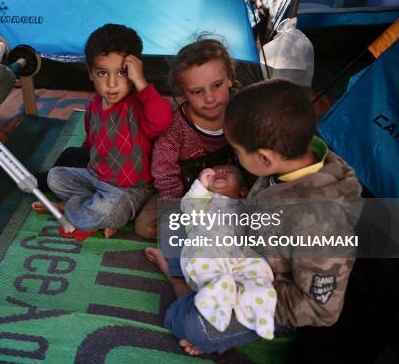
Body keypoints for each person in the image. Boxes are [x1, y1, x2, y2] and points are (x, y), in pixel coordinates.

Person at [150, 78, 363, 355]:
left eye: (237, 152)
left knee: (190, 325)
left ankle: (180, 284)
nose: (234, 158)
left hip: (265, 292)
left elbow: (320, 308)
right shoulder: (292, 155)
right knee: (177, 220)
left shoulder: (324, 223)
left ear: (264, 158)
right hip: (248, 249)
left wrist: (240, 295)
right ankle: (191, 286)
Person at [32, 23, 173, 240]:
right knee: (55, 176)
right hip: (95, 178)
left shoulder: (138, 106)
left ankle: (76, 209)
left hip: (130, 189)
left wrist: (141, 82)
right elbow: (91, 144)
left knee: (110, 207)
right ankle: (93, 211)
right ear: (90, 73)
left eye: (122, 73)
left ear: (134, 71)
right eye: (102, 73)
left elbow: (163, 120)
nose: (112, 83)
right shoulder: (94, 106)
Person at [146, 164, 277, 354]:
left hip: (239, 256)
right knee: (172, 222)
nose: (221, 172)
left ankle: (253, 306)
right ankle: (209, 292)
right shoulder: (204, 203)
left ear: (243, 190)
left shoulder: (246, 206)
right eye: (215, 171)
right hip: (208, 250)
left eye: (229, 172)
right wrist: (200, 186)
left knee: (258, 271)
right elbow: (189, 207)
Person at [134, 38, 242, 240]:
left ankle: (222, 230)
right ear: (182, 93)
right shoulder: (175, 129)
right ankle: (206, 234)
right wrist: (178, 206)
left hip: (230, 189)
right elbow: (163, 170)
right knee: (144, 227)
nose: (210, 98)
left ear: (229, 78)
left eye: (217, 85)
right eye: (197, 91)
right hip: (184, 193)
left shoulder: (240, 111)